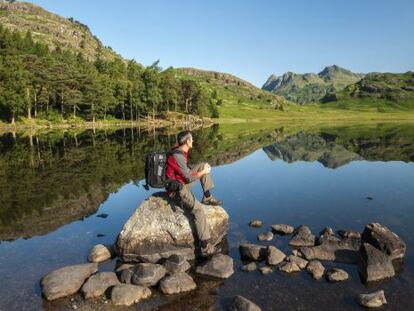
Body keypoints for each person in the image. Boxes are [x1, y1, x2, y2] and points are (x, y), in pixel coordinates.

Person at [165, 130, 223, 257]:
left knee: (203, 165)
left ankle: (207, 197)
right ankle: (205, 247)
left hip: (181, 183)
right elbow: (188, 178)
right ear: (187, 142)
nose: (193, 141)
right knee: (198, 210)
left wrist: (203, 169)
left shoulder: (179, 151)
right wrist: (202, 173)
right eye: (191, 139)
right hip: (177, 190)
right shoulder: (178, 156)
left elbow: (185, 172)